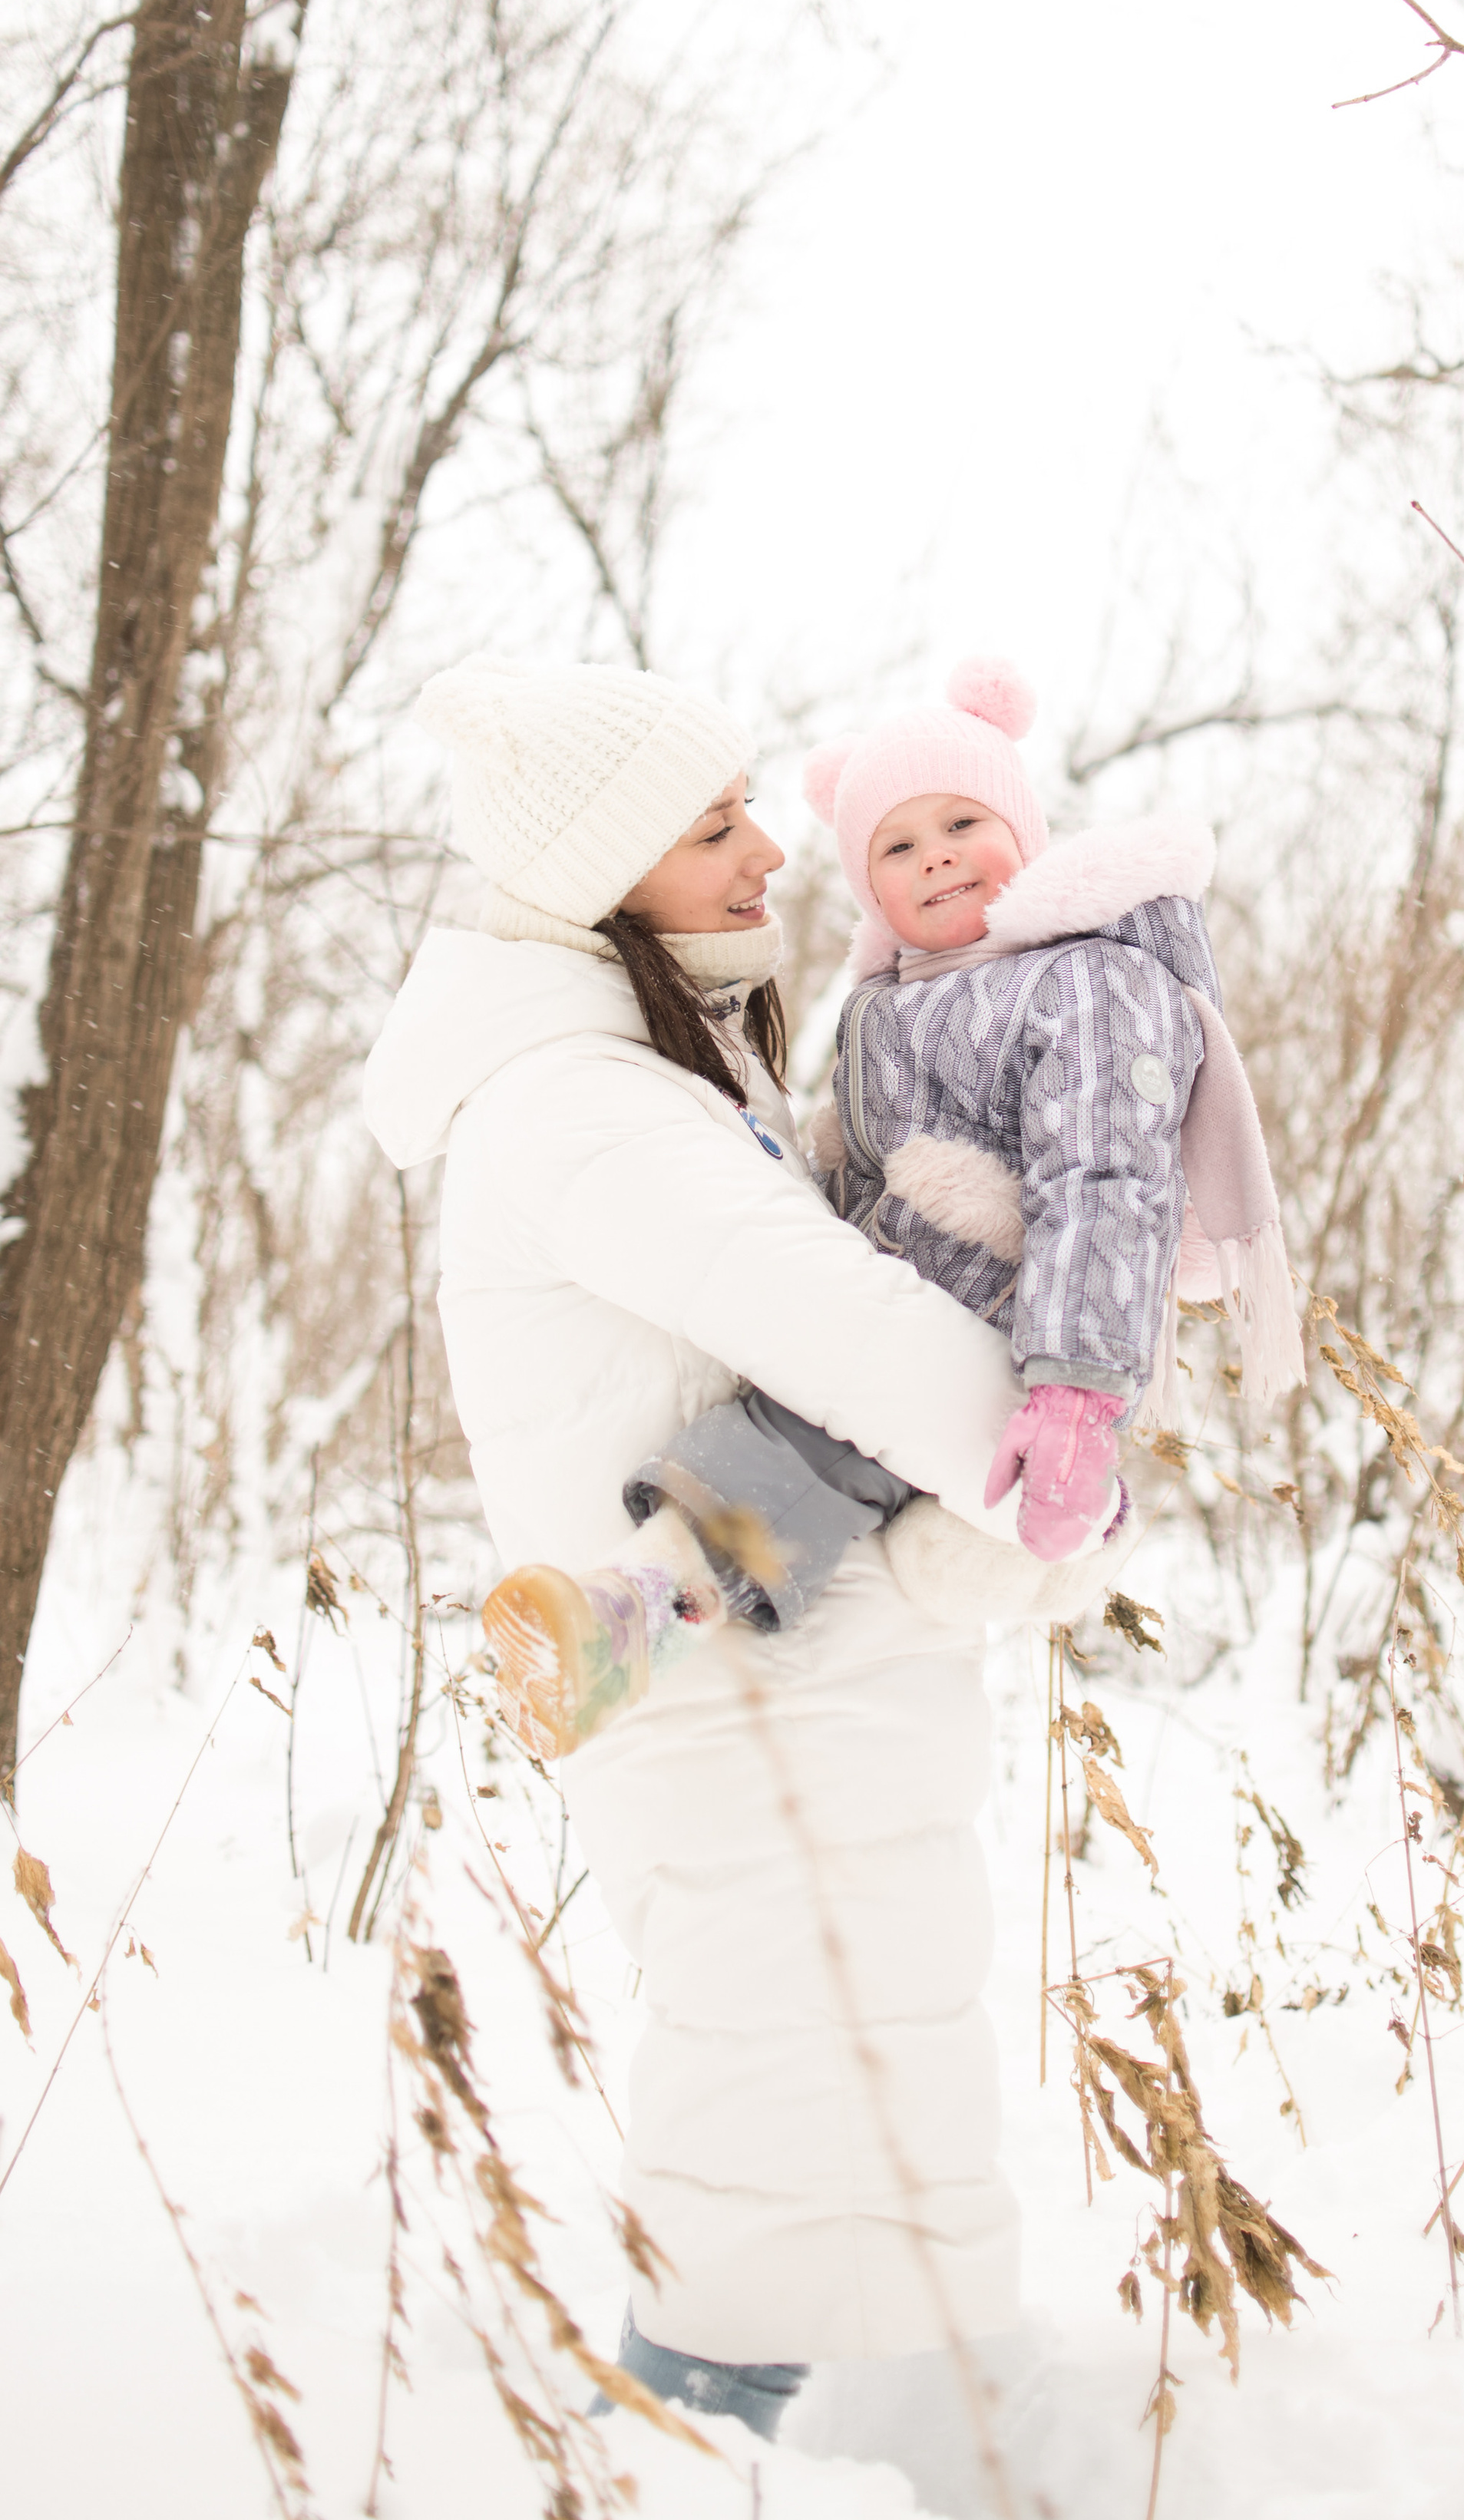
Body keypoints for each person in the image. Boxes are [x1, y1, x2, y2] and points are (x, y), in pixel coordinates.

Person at [359, 656, 1116, 2457]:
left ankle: (857, 2437)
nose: (769, 847)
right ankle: (670, 2455)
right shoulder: (583, 1105)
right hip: (744, 1700)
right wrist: (1059, 1478)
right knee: (777, 2124)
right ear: (603, 876)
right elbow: (860, 1335)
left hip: (781, 1674)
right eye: (711, 827)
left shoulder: (649, 1076)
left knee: (838, 2110)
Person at [486, 657, 1301, 1766]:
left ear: (1023, 828)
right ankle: (650, 1618)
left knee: (785, 1461)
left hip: (1007, 1324)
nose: (938, 857)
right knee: (809, 1465)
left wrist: (1077, 1390)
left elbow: (1108, 1182)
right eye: (897, 848)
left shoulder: (1088, 981)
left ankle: (630, 1618)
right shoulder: (894, 999)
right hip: (896, 1304)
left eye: (963, 822)